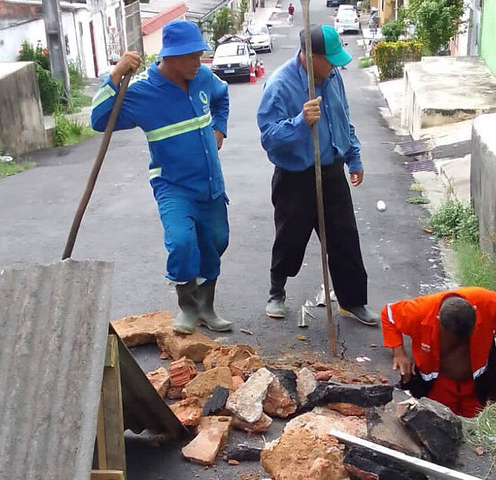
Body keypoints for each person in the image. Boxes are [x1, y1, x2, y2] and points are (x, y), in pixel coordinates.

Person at [90, 20, 232, 335]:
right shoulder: (143, 92)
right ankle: (188, 307)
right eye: (191, 55)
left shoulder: (203, 78)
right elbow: (99, 119)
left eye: (200, 54)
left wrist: (219, 128)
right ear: (170, 57)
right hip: (173, 186)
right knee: (182, 242)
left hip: (210, 183)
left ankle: (207, 306)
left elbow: (222, 97)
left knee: (216, 241)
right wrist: (115, 74)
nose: (199, 61)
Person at [256, 25, 378, 326]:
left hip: (332, 171)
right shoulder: (280, 84)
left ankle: (353, 301)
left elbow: (343, 118)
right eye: (330, 59)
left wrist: (354, 156)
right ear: (310, 57)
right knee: (290, 237)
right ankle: (277, 291)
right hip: (295, 176)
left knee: (344, 237)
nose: (336, 65)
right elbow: (269, 137)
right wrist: (300, 122)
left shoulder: (333, 78)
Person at [380, 287, 496, 417]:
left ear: (475, 311)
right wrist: (399, 353)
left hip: (476, 385)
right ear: (438, 318)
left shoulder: (488, 303)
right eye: (453, 338)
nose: (459, 342)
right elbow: (388, 314)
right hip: (438, 386)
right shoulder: (419, 312)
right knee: (439, 421)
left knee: (474, 426)